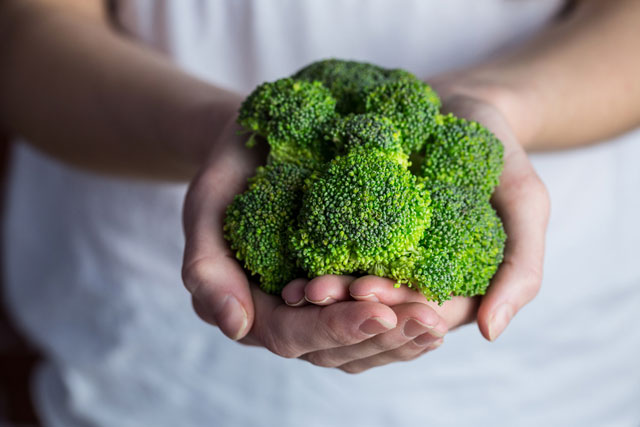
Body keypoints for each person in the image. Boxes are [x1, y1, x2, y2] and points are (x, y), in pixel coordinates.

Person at [1, 0, 639, 425]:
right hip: (136, 351)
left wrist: (501, 102)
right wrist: (215, 129)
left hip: (555, 377)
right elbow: (25, 28)